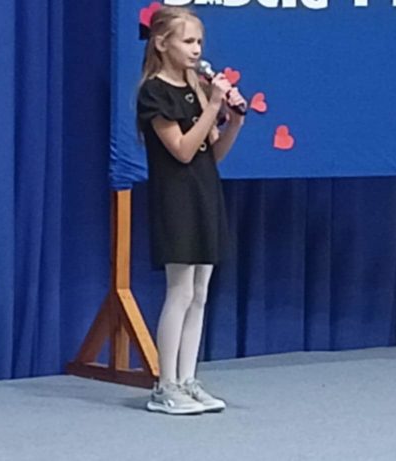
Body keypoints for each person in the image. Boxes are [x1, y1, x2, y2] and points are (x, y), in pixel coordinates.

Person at [136, 6, 245, 415]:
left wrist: (233, 122)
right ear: (162, 44)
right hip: (175, 198)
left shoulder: (197, 88)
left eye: (199, 41)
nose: (196, 49)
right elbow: (181, 150)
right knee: (180, 291)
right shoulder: (154, 92)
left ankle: (187, 379)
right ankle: (164, 385)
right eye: (187, 41)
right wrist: (214, 105)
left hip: (205, 193)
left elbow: (210, 154)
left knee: (200, 292)